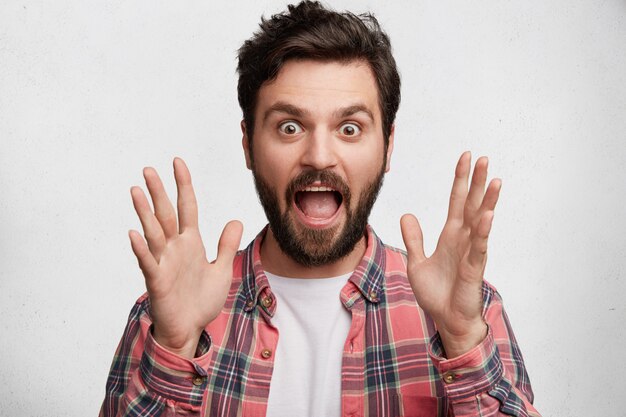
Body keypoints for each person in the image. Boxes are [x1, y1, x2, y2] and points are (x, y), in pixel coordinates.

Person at [100, 2, 540, 416]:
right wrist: (174, 351)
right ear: (248, 144)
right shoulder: (166, 314)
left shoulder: (466, 311)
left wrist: (463, 341)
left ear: (388, 147)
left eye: (350, 128)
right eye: (289, 127)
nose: (319, 156)